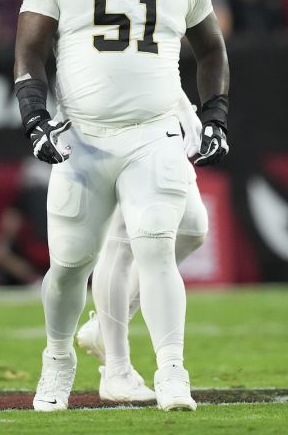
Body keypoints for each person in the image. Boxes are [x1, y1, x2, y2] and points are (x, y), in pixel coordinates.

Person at [14, 0, 230, 412]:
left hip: (154, 131)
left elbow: (210, 49)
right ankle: (58, 358)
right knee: (68, 264)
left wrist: (217, 114)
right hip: (84, 135)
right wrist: (35, 116)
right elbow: (31, 51)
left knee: (156, 246)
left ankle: (172, 371)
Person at [73, 101, 207, 404]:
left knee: (193, 227)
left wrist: (181, 105)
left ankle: (104, 329)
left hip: (156, 115)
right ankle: (117, 370)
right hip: (111, 117)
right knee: (121, 240)